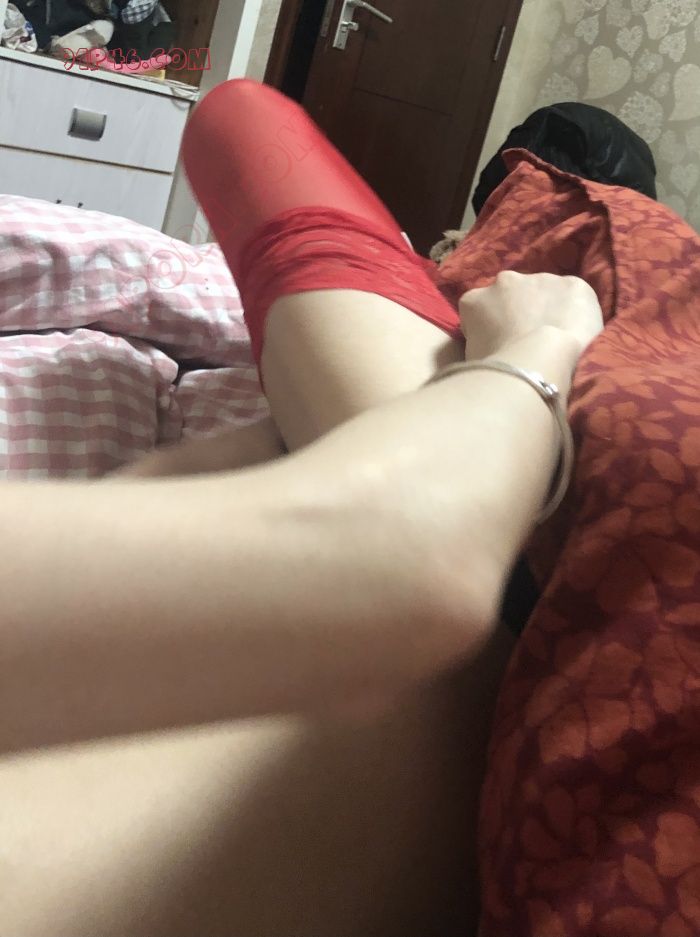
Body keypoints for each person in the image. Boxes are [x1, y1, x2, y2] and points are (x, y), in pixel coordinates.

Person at [0, 80, 603, 936]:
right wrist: (539, 345)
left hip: (463, 607)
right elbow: (403, 559)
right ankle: (526, 231)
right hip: (517, 563)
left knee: (240, 116)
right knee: (240, 113)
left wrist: (264, 444)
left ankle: (502, 234)